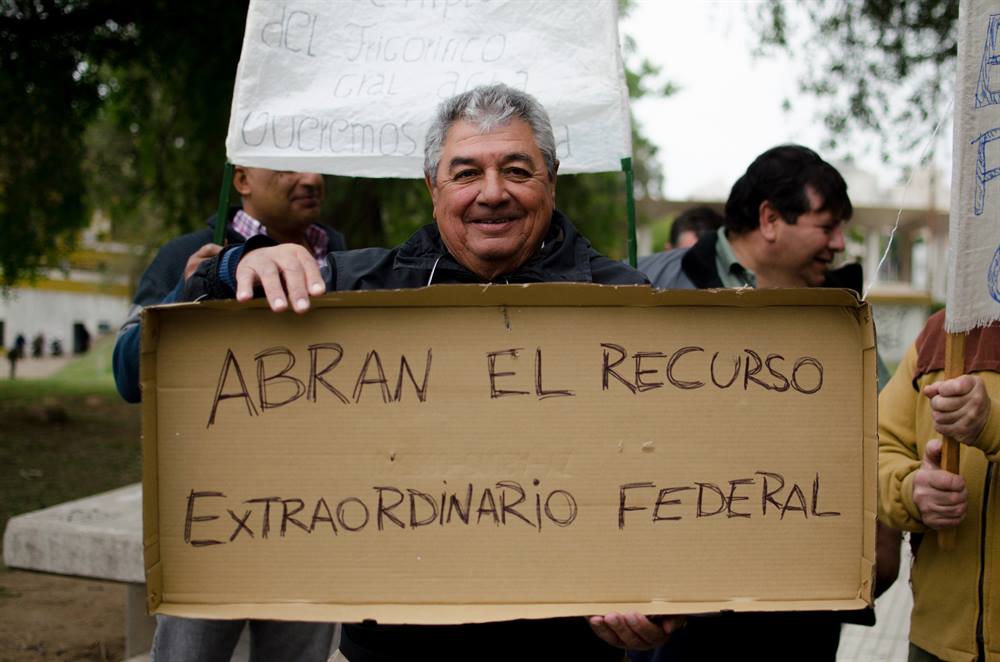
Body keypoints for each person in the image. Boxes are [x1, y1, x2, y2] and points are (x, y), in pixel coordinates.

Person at [184, 83, 681, 661]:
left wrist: (665, 594)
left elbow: (673, 482)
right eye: (466, 173)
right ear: (431, 186)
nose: (492, 194)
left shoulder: (631, 308)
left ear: (552, 178)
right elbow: (169, 356)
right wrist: (237, 266)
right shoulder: (351, 293)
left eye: (517, 170)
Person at [633, 144, 900, 661]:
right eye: (827, 226)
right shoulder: (647, 283)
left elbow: (885, 426)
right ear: (771, 219)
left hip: (797, 621)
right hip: (677, 621)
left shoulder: (844, 313)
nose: (840, 244)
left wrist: (881, 545)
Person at [112, 166, 345, 662]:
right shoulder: (190, 255)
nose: (309, 178)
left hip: (315, 515)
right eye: (285, 165)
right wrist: (193, 288)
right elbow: (127, 373)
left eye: (314, 164)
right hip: (213, 515)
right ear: (241, 180)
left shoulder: (343, 257)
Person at [878, 310, 999, 662]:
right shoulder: (941, 331)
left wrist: (992, 426)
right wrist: (912, 490)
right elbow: (879, 446)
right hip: (936, 643)